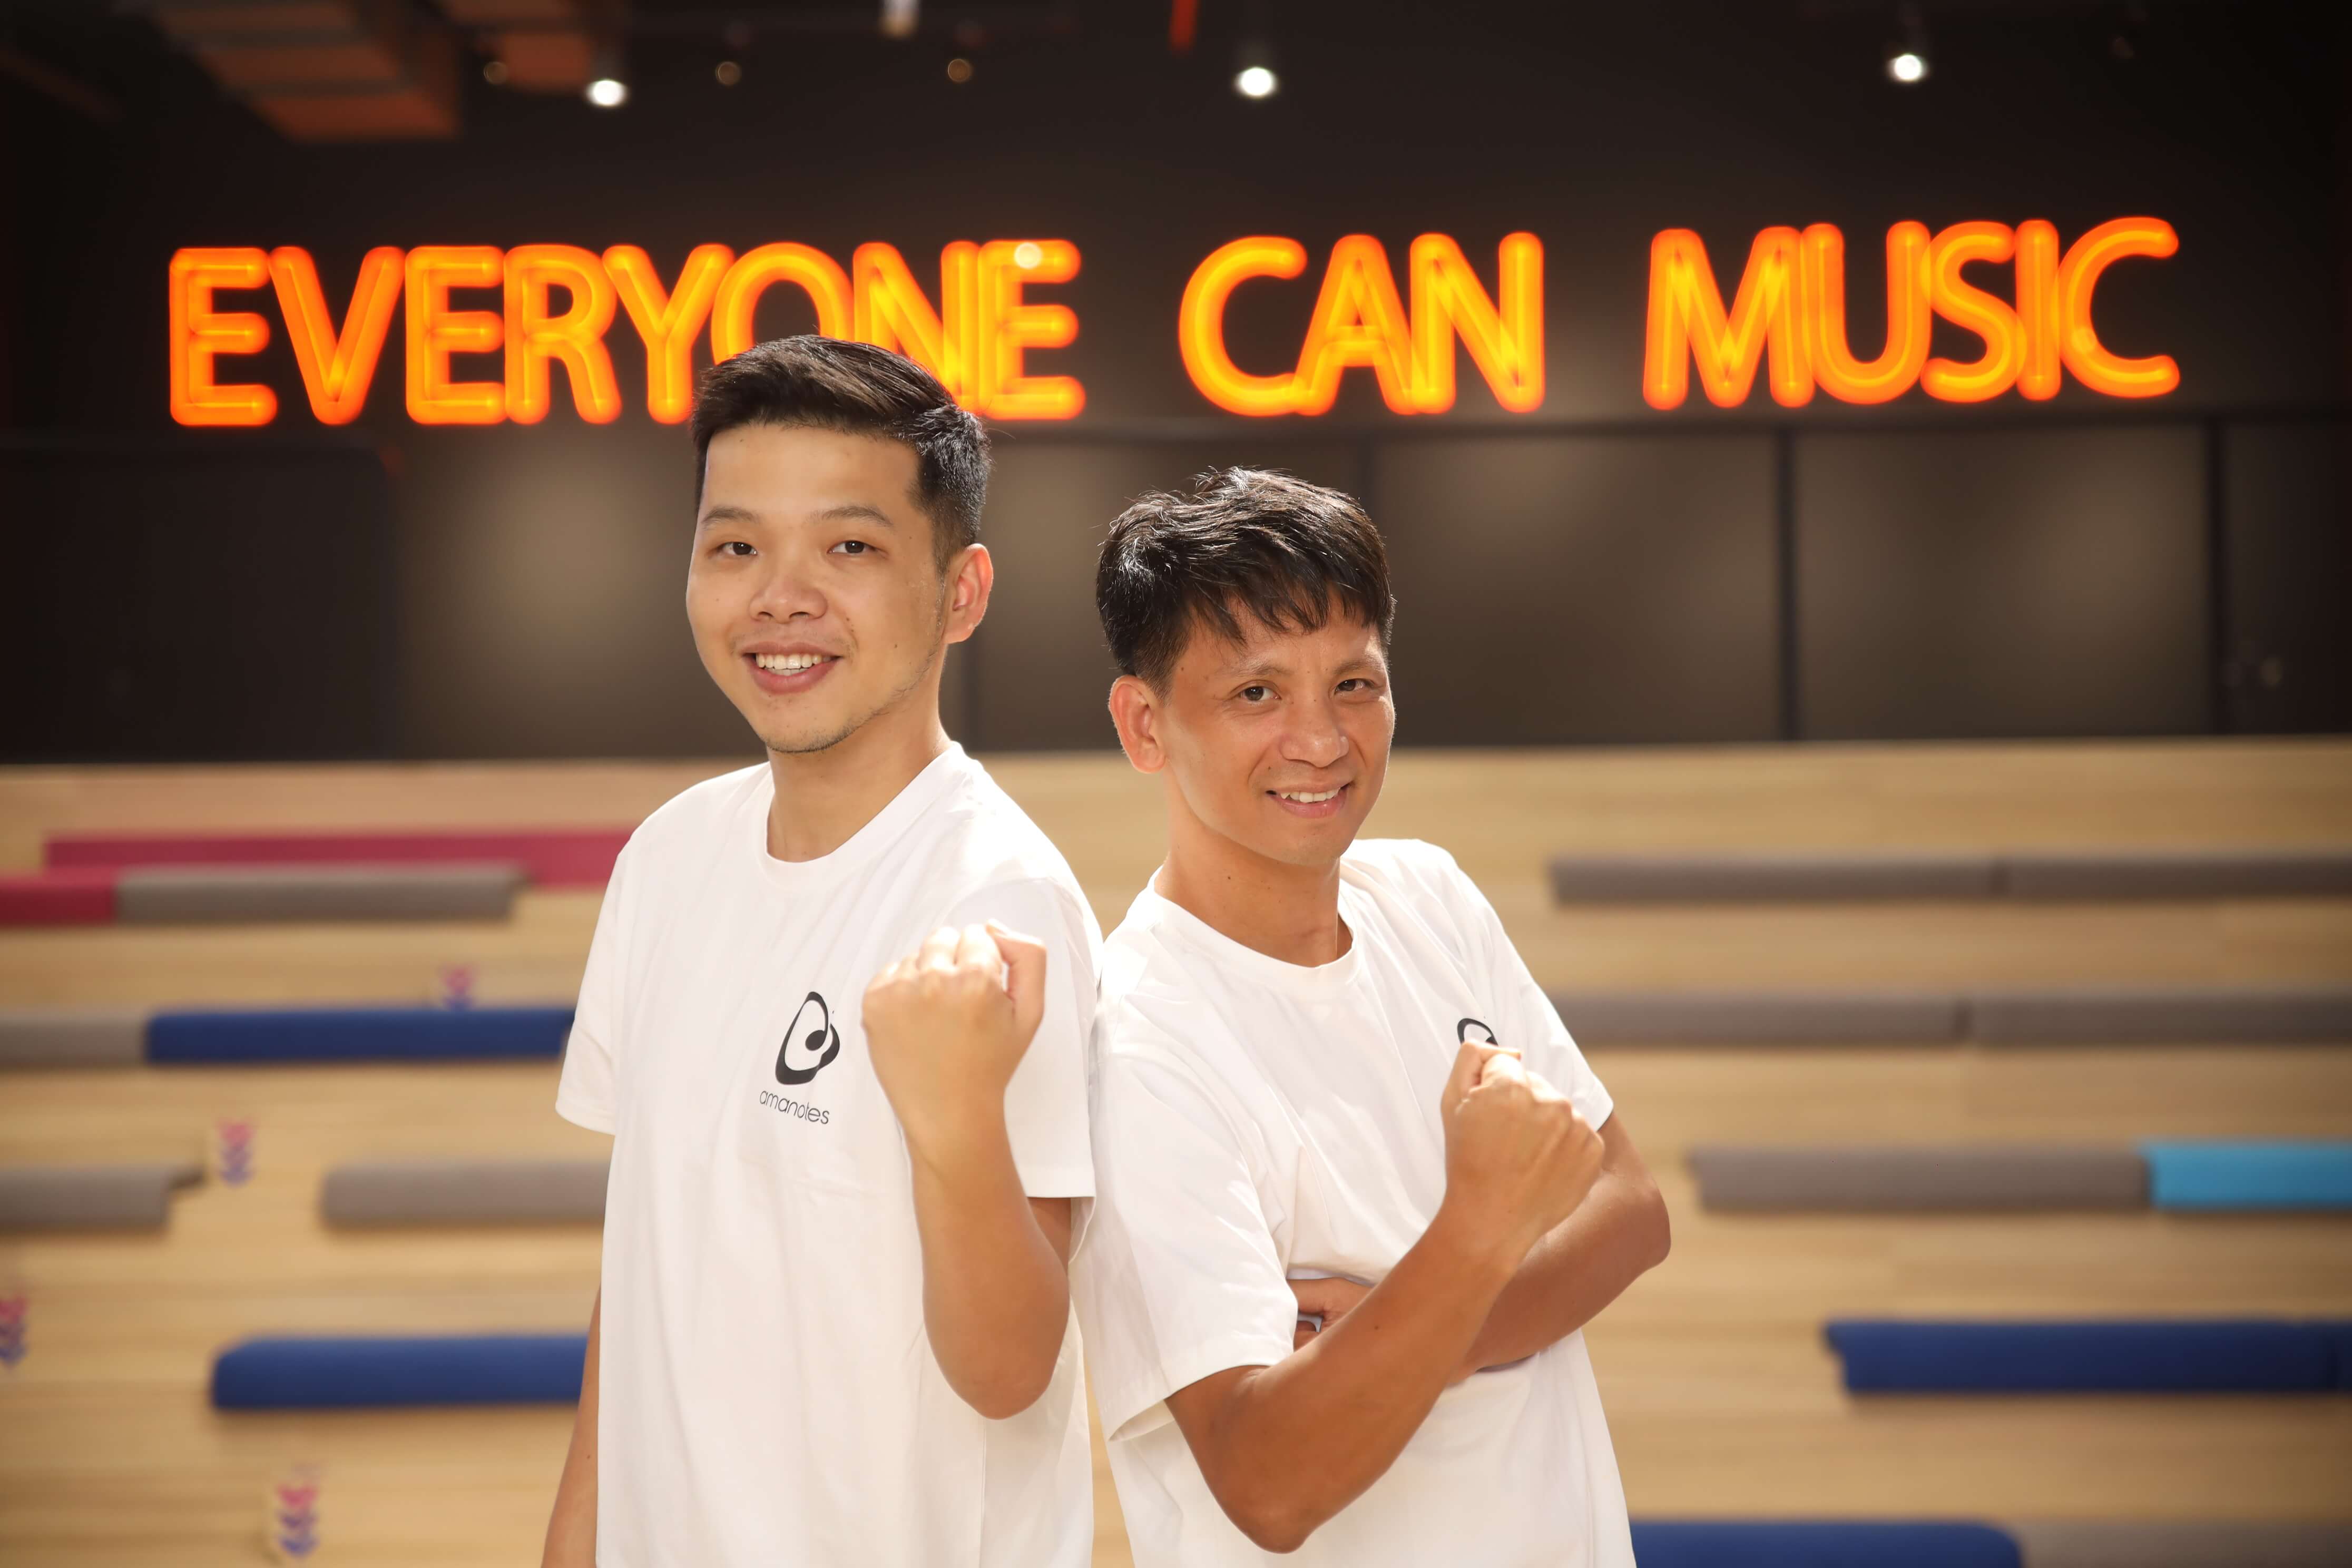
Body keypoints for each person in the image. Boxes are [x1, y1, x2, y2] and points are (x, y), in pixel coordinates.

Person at [542, 337, 1097, 1567]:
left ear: (961, 593)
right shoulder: (668, 859)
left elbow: (1012, 1370)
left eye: (849, 549)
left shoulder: (996, 900)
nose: (781, 598)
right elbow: (644, 1282)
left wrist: (956, 1124)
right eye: (736, 547)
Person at [1072, 468, 1670, 1566]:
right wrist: (1485, 1228)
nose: (1321, 739)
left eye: (1354, 683)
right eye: (1257, 693)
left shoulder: (1427, 897)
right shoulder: (1136, 1039)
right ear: (1144, 725)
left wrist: (1424, 1324)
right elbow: (1270, 1482)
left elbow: (1632, 1211)